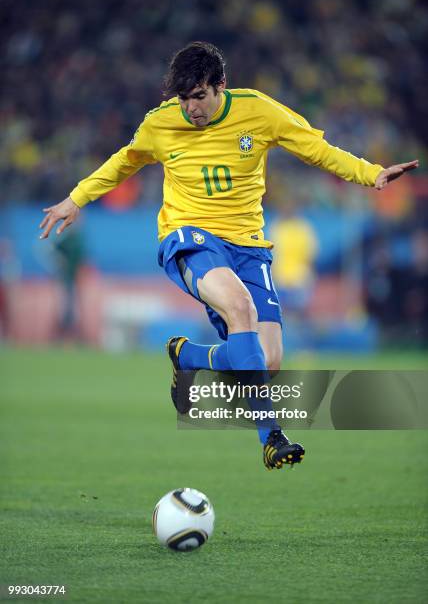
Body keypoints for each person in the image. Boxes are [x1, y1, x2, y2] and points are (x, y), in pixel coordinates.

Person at [39, 42, 418, 470]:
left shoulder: (258, 111)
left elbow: (315, 147)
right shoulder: (160, 124)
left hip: (249, 247)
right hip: (189, 235)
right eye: (183, 99)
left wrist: (371, 174)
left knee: (267, 363)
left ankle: (189, 356)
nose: (191, 109)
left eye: (199, 96)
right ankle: (271, 435)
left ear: (221, 86)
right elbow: (122, 163)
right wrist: (76, 198)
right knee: (239, 307)